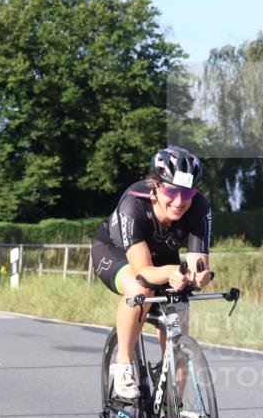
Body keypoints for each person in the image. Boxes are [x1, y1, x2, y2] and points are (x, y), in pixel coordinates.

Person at [91, 145, 213, 401]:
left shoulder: (199, 208)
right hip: (116, 252)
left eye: (188, 192)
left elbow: (198, 263)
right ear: (155, 186)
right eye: (172, 191)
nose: (180, 201)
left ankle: (172, 413)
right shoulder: (133, 204)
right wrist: (171, 272)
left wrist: (199, 277)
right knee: (140, 290)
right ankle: (123, 362)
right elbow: (143, 271)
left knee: (179, 313)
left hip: (163, 257)